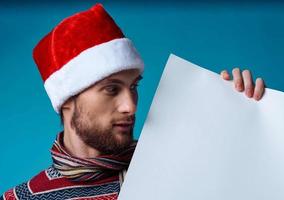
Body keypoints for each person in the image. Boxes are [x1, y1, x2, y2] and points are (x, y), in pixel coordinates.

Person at [1, 3, 265, 200]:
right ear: (68, 100)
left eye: (133, 86)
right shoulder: (21, 198)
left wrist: (247, 115)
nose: (131, 105)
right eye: (111, 89)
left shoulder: (177, 164)